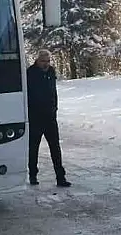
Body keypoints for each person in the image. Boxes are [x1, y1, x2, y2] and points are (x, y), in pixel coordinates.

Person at [27, 50, 70, 188]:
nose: (46, 64)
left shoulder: (51, 72)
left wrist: (55, 108)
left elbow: (53, 92)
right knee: (33, 148)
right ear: (37, 60)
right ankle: (33, 174)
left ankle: (60, 177)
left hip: (50, 117)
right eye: (43, 61)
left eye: (48, 61)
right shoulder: (30, 73)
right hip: (35, 117)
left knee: (55, 148)